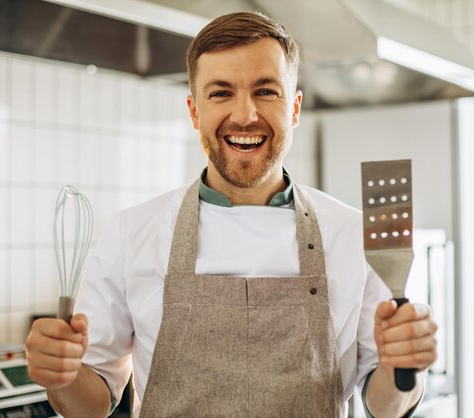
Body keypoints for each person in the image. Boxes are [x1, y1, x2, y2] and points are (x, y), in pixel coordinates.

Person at [25, 11, 437, 418]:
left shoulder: (353, 233)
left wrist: (403, 366)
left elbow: (383, 404)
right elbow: (92, 403)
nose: (245, 116)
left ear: (294, 108)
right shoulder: (132, 233)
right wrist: (61, 377)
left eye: (266, 91)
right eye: (221, 93)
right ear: (194, 111)